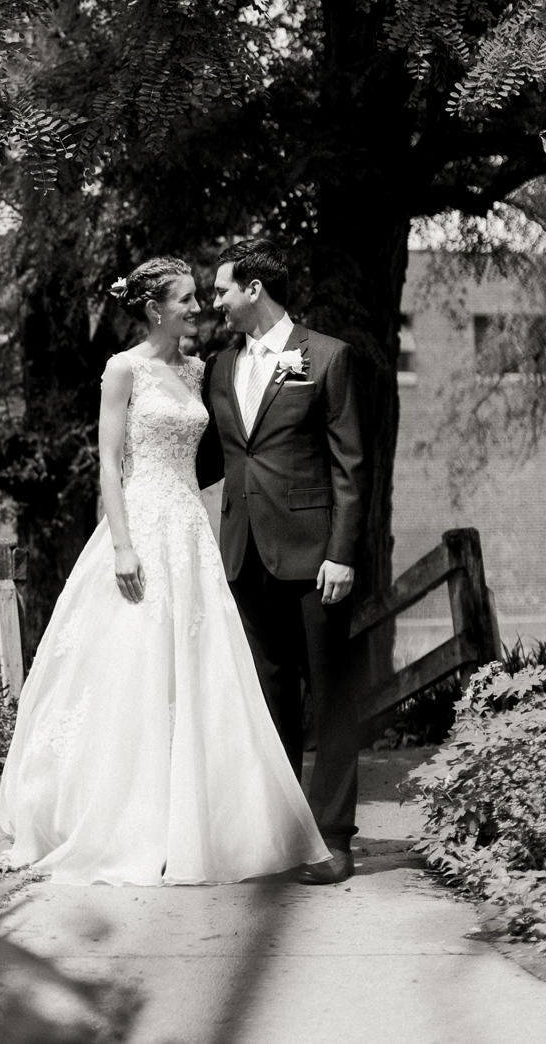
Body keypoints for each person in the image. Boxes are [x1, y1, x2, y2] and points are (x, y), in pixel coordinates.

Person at [0, 256, 330, 885]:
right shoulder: (123, 370)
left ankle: (199, 822)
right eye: (186, 300)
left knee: (201, 672)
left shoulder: (201, 371)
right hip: (142, 529)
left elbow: (219, 449)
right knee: (135, 669)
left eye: (201, 299)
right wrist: (123, 545)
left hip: (191, 531)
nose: (199, 309)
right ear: (155, 309)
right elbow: (107, 463)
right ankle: (127, 820)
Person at [197, 237, 367, 885]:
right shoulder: (219, 367)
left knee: (330, 697)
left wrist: (342, 553)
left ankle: (333, 837)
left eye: (222, 290)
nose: (216, 302)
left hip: (315, 558)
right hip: (243, 555)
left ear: (255, 290)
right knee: (268, 704)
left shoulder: (326, 358)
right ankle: (283, 835)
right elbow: (217, 457)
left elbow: (352, 465)